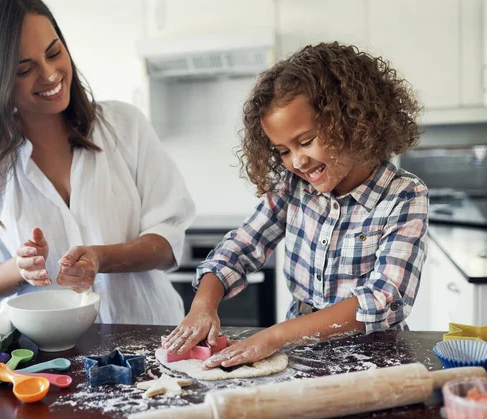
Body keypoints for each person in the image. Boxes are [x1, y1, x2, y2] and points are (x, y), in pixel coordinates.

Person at [164, 42, 428, 368]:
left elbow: (383, 299)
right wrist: (202, 305)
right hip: (301, 356)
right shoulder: (295, 188)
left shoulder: (404, 196)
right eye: (283, 151)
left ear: (352, 120)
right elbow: (242, 247)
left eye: (305, 141)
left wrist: (273, 336)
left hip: (374, 362)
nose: (298, 161)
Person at [0, 0, 195, 325]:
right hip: (48, 359)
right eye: (25, 68)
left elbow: (168, 243)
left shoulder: (125, 126)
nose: (49, 74)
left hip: (151, 334)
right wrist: (20, 269)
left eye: (54, 52)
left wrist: (101, 258)